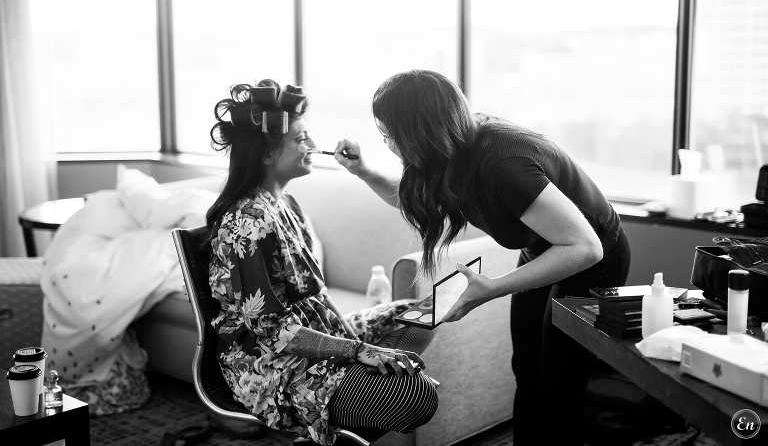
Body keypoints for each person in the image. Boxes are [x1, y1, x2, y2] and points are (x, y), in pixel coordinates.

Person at [334, 69, 631, 446]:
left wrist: (493, 288)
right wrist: (362, 170)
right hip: (544, 249)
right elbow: (410, 198)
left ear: (417, 132)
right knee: (527, 369)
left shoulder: (503, 164)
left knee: (558, 385)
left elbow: (584, 248)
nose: (389, 145)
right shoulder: (448, 150)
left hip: (593, 262)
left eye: (389, 135)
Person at [205, 79, 438, 446]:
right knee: (415, 397)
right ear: (266, 155)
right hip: (270, 362)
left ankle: (364, 392)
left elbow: (315, 296)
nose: (313, 145)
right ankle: (368, 395)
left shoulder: (286, 203)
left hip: (320, 331)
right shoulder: (247, 224)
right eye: (301, 139)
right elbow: (273, 333)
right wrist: (358, 351)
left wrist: (356, 346)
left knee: (421, 313)